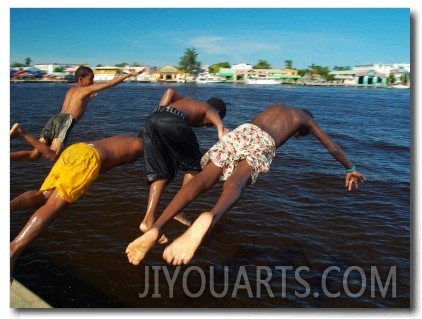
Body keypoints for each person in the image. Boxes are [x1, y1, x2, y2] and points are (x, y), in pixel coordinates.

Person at [126, 103, 366, 266]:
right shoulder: (305, 118)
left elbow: (256, 126)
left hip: (244, 131)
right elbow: (331, 145)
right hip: (264, 141)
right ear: (305, 123)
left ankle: (157, 227)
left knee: (204, 178)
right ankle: (211, 216)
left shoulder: (275, 107)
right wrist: (350, 168)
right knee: (236, 183)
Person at [10, 123, 144, 279]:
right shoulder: (143, 145)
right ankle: (12, 251)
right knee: (54, 206)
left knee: (44, 196)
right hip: (88, 159)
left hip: (77, 149)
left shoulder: (127, 138)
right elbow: (157, 172)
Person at [138, 88, 228, 236]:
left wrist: (159, 110)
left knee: (160, 172)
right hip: (174, 122)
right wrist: (220, 129)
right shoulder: (209, 109)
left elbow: (170, 91)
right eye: (209, 123)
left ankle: (148, 219)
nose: (208, 125)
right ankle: (178, 211)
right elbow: (216, 119)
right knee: (196, 166)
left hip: (152, 121)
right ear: (218, 111)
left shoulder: (187, 101)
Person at [10, 66, 145, 162]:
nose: (92, 82)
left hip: (54, 119)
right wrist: (129, 75)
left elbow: (75, 103)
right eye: (90, 79)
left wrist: (88, 97)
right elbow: (110, 84)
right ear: (81, 79)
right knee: (52, 155)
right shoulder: (86, 89)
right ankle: (21, 133)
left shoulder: (71, 90)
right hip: (65, 121)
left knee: (34, 156)